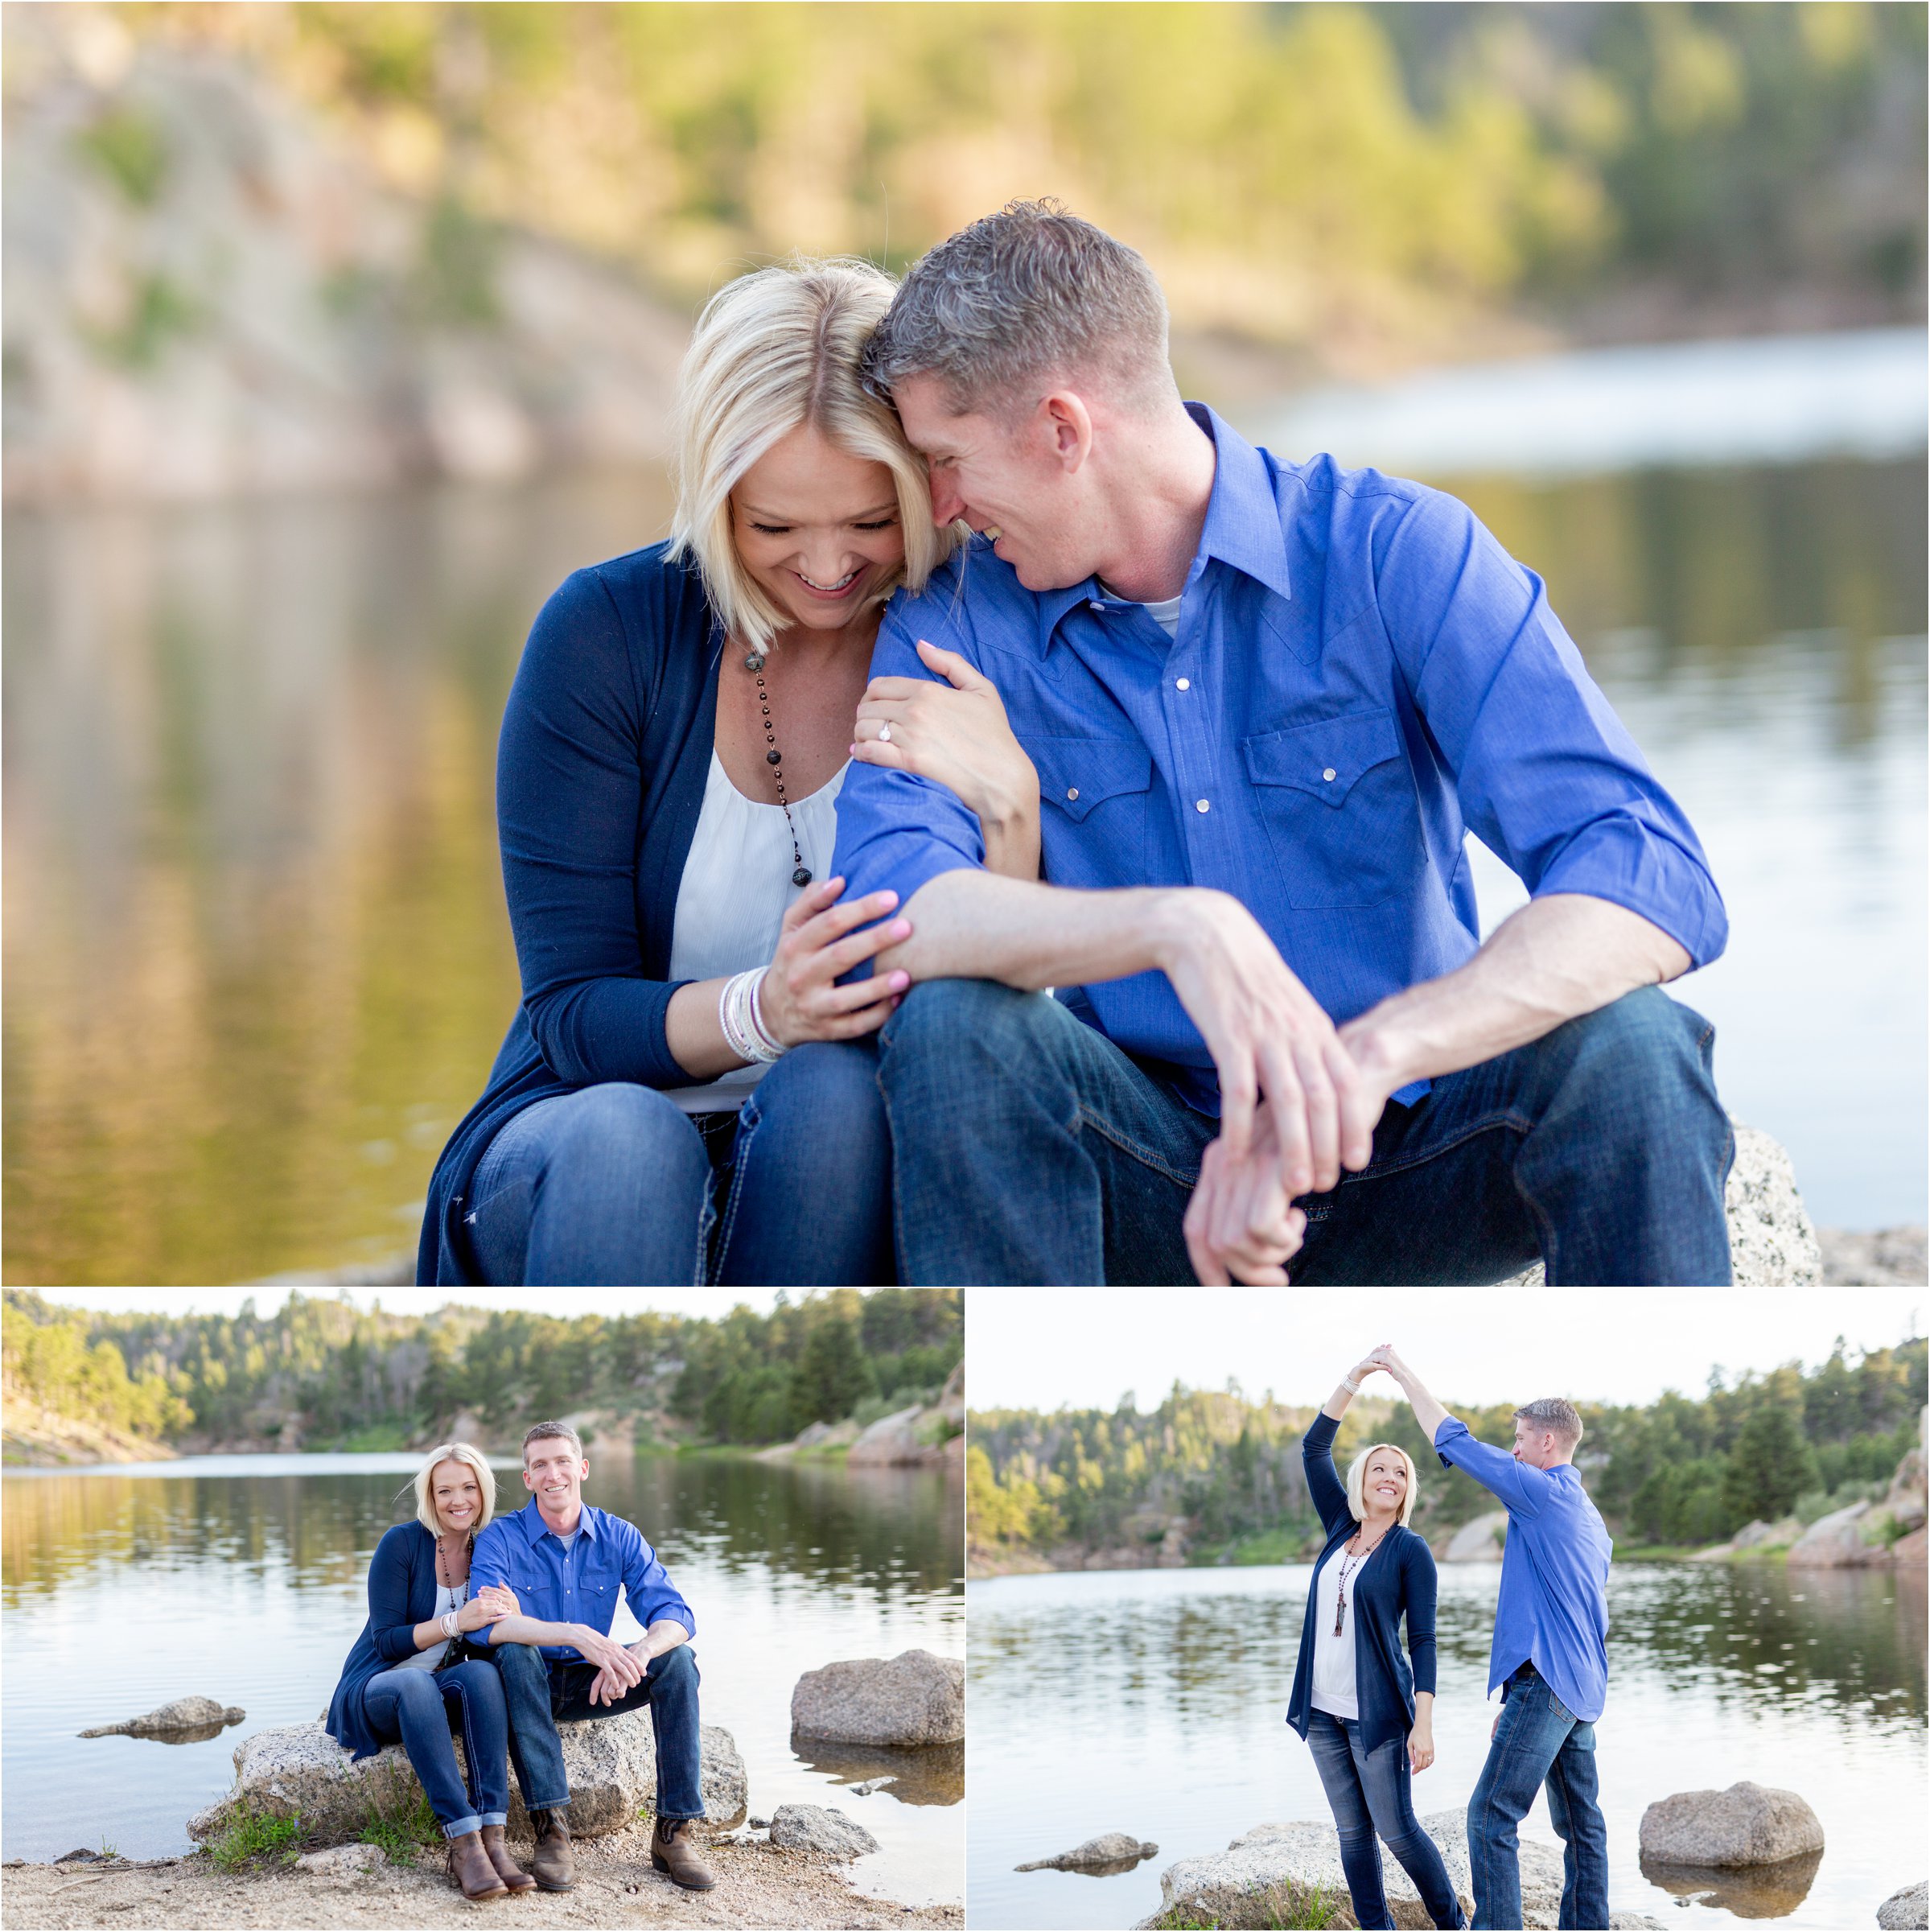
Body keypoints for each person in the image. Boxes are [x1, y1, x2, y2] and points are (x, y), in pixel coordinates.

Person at [830, 197, 1734, 1286]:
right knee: (955, 1027)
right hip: (1154, 1177)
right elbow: (891, 917)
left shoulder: (1395, 551)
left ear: (1061, 430)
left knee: (1631, 1046)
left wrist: (1372, 1054)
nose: (932, 505)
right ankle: (1001, 1427)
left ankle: (1609, 1446)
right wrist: (1176, 928)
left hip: (1413, 1157)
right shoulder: (954, 618)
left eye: (944, 458)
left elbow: (1645, 872)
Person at [417, 257, 1042, 1285]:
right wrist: (765, 1010)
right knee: (632, 1142)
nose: (831, 565)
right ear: (716, 502)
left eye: (871, 521)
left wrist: (1011, 811)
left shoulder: (982, 629)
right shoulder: (606, 635)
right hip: (583, 1135)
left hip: (835, 1144)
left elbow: (1005, 1030)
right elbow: (570, 1015)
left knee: (837, 1095)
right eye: (776, 528)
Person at [1367, 1345, 1611, 1932]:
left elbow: (1454, 1441)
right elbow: (1584, 1611)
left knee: (1489, 1816)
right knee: (1582, 1826)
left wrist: (1402, 1373)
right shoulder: (1588, 1515)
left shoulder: (1539, 1490)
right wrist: (1521, 1698)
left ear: (1547, 1444)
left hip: (1548, 1681)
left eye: (1522, 1438)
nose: (1515, 1449)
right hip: (1578, 1691)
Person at [470, 1422, 712, 1893]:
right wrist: (578, 1635)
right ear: (527, 1478)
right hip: (528, 1682)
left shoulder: (618, 1536)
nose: (552, 1474)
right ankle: (552, 1830)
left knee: (679, 1662)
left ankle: (673, 1832)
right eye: (539, 1465)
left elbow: (676, 1616)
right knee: (516, 1654)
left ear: (582, 1468)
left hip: (593, 1683)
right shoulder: (501, 1539)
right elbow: (489, 1626)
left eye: (562, 1461)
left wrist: (634, 1657)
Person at [1286, 1357, 1463, 1930]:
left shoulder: (1411, 1550)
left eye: (1401, 1472)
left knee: (1397, 1830)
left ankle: (1452, 1923)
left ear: (1407, 1488)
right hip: (1320, 1711)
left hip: (1378, 1715)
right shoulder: (1341, 1525)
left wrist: (1423, 1720)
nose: (1390, 1477)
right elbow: (1314, 1448)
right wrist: (1353, 1380)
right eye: (1380, 1468)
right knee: (1351, 1833)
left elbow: (1425, 1639)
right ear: (1362, 1478)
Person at [325, 1443, 533, 1902]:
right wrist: (458, 1621)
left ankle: (493, 1838)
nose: (458, 1500)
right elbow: (386, 1641)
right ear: (430, 1496)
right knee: (415, 1682)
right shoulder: (401, 1544)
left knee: (481, 1676)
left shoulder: (489, 1549)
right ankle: (462, 1844)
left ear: (483, 1491)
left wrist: (517, 1611)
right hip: (378, 1688)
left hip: (434, 1693)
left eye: (468, 1487)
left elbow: (498, 1635)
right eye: (445, 1491)